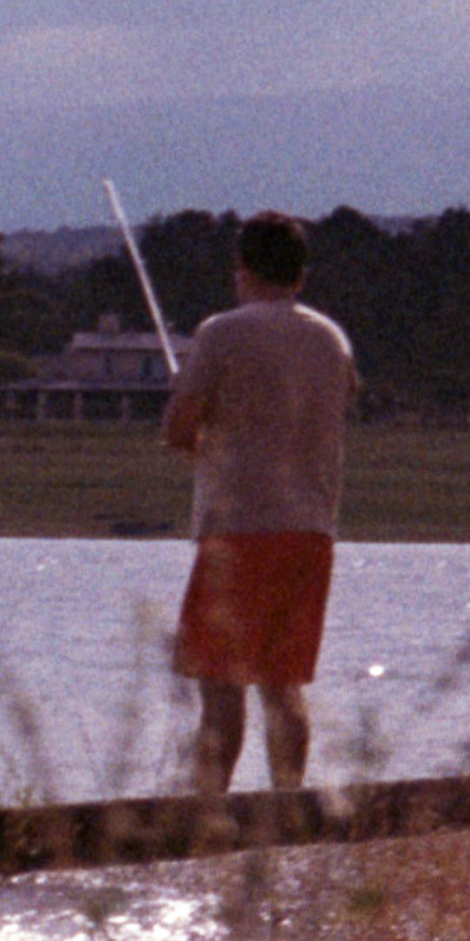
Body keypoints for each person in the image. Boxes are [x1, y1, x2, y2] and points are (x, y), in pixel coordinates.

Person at [159, 211, 356, 795]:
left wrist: (193, 416)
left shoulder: (222, 331)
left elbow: (177, 431)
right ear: (301, 273)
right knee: (283, 686)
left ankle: (204, 820)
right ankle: (289, 807)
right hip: (311, 532)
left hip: (239, 530)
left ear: (241, 269)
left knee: (220, 692)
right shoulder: (331, 338)